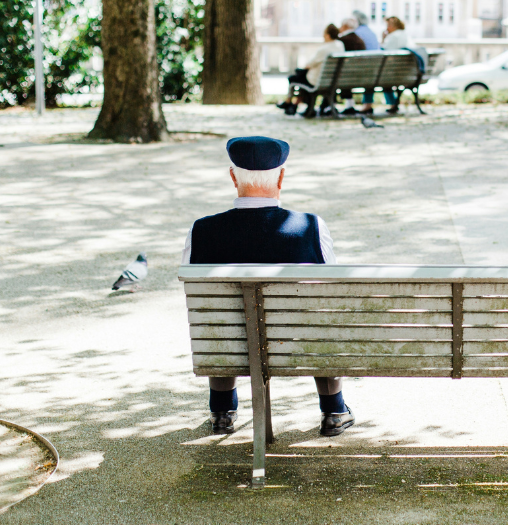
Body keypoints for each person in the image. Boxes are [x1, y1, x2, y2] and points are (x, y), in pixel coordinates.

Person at [182, 136, 355, 437]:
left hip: (231, 345)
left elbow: (197, 293)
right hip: (298, 344)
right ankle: (334, 409)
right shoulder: (310, 227)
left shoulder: (202, 230)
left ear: (234, 177)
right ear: (282, 177)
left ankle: (221, 411)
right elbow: (330, 286)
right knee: (320, 316)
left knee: (220, 320)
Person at [277, 24, 344, 118]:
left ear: (328, 35)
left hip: (317, 80)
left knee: (295, 77)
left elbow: (308, 65)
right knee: (299, 77)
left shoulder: (324, 49)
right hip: (333, 80)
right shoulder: (340, 45)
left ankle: (290, 103)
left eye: (324, 34)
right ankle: (293, 104)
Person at [378, 16, 412, 115]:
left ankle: (393, 103)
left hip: (394, 73)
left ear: (393, 26)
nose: (387, 28)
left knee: (383, 79)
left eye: (388, 25)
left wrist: (383, 39)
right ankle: (394, 104)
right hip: (407, 72)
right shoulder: (406, 35)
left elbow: (383, 51)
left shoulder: (393, 36)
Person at [351, 10, 382, 115]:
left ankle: (350, 105)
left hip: (365, 69)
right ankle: (368, 105)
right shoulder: (371, 32)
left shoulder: (357, 33)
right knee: (370, 74)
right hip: (377, 69)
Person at [337, 18, 367, 115]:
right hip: (361, 75)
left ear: (345, 27)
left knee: (337, 74)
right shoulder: (360, 40)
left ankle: (329, 105)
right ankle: (349, 105)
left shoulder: (342, 41)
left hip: (346, 76)